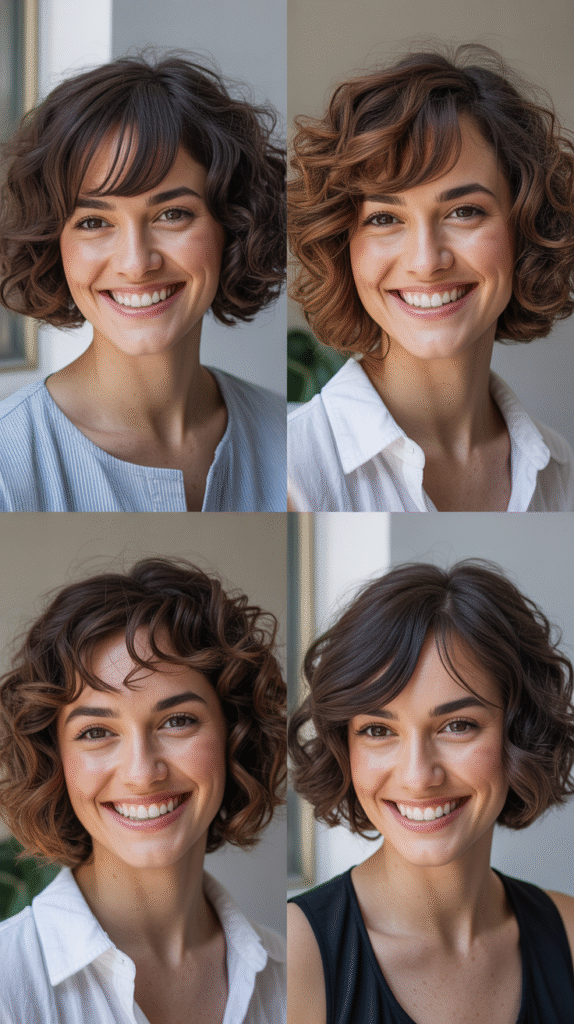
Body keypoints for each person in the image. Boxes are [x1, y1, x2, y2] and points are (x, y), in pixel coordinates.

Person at [287, 46, 574, 512]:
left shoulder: (562, 477)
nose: (426, 261)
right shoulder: (291, 473)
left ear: (527, 228)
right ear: (343, 244)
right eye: (384, 218)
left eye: (465, 212)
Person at [0, 557, 286, 1023]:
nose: (142, 772)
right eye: (96, 732)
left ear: (235, 736)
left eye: (178, 721)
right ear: (56, 760)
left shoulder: (293, 976)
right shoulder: (7, 983)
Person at [288, 560, 574, 1024]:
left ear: (519, 732)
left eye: (457, 726)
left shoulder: (569, 934)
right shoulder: (298, 957)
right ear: (344, 746)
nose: (419, 776)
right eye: (378, 730)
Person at [0, 54, 286, 511]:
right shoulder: (7, 466)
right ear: (54, 242)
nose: (136, 264)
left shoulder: (291, 437)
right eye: (94, 222)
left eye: (172, 214)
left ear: (232, 224)